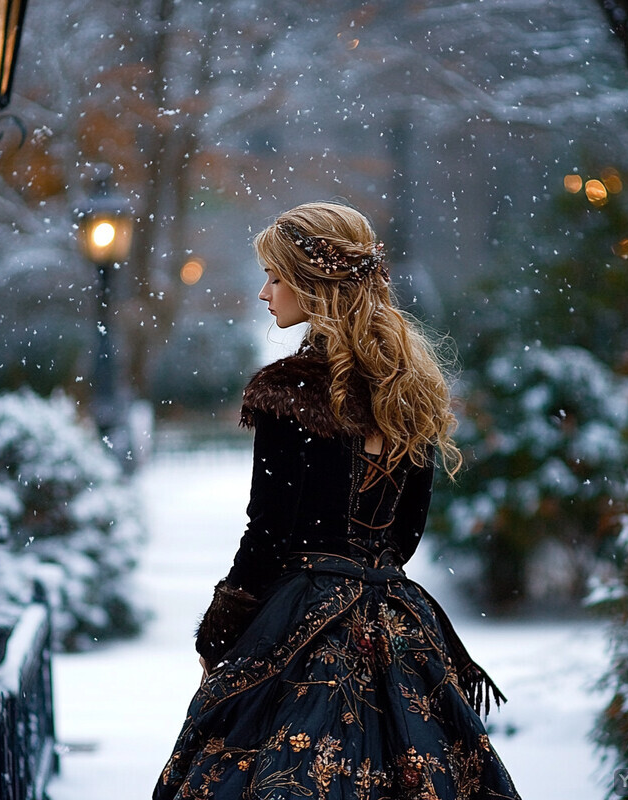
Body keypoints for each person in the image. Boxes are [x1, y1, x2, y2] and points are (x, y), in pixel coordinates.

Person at [153, 201, 521, 800]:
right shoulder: (411, 390)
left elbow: (268, 533)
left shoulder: (287, 394)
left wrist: (223, 627)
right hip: (398, 623)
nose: (264, 292)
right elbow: (405, 537)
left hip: (301, 621)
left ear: (315, 286)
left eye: (276, 276)